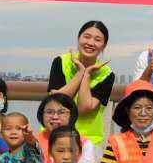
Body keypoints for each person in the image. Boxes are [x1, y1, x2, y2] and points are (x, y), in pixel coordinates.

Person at [48, 20, 116, 153]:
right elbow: (57, 101)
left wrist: (87, 74)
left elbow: (84, 108)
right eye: (87, 37)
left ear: (104, 45)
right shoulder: (61, 62)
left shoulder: (107, 74)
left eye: (97, 40)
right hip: (56, 135)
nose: (90, 43)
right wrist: (80, 73)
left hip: (88, 142)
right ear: (79, 38)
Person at [34, 93, 100, 163]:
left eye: (61, 112)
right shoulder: (33, 141)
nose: (55, 117)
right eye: (49, 112)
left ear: (72, 115)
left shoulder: (84, 144)